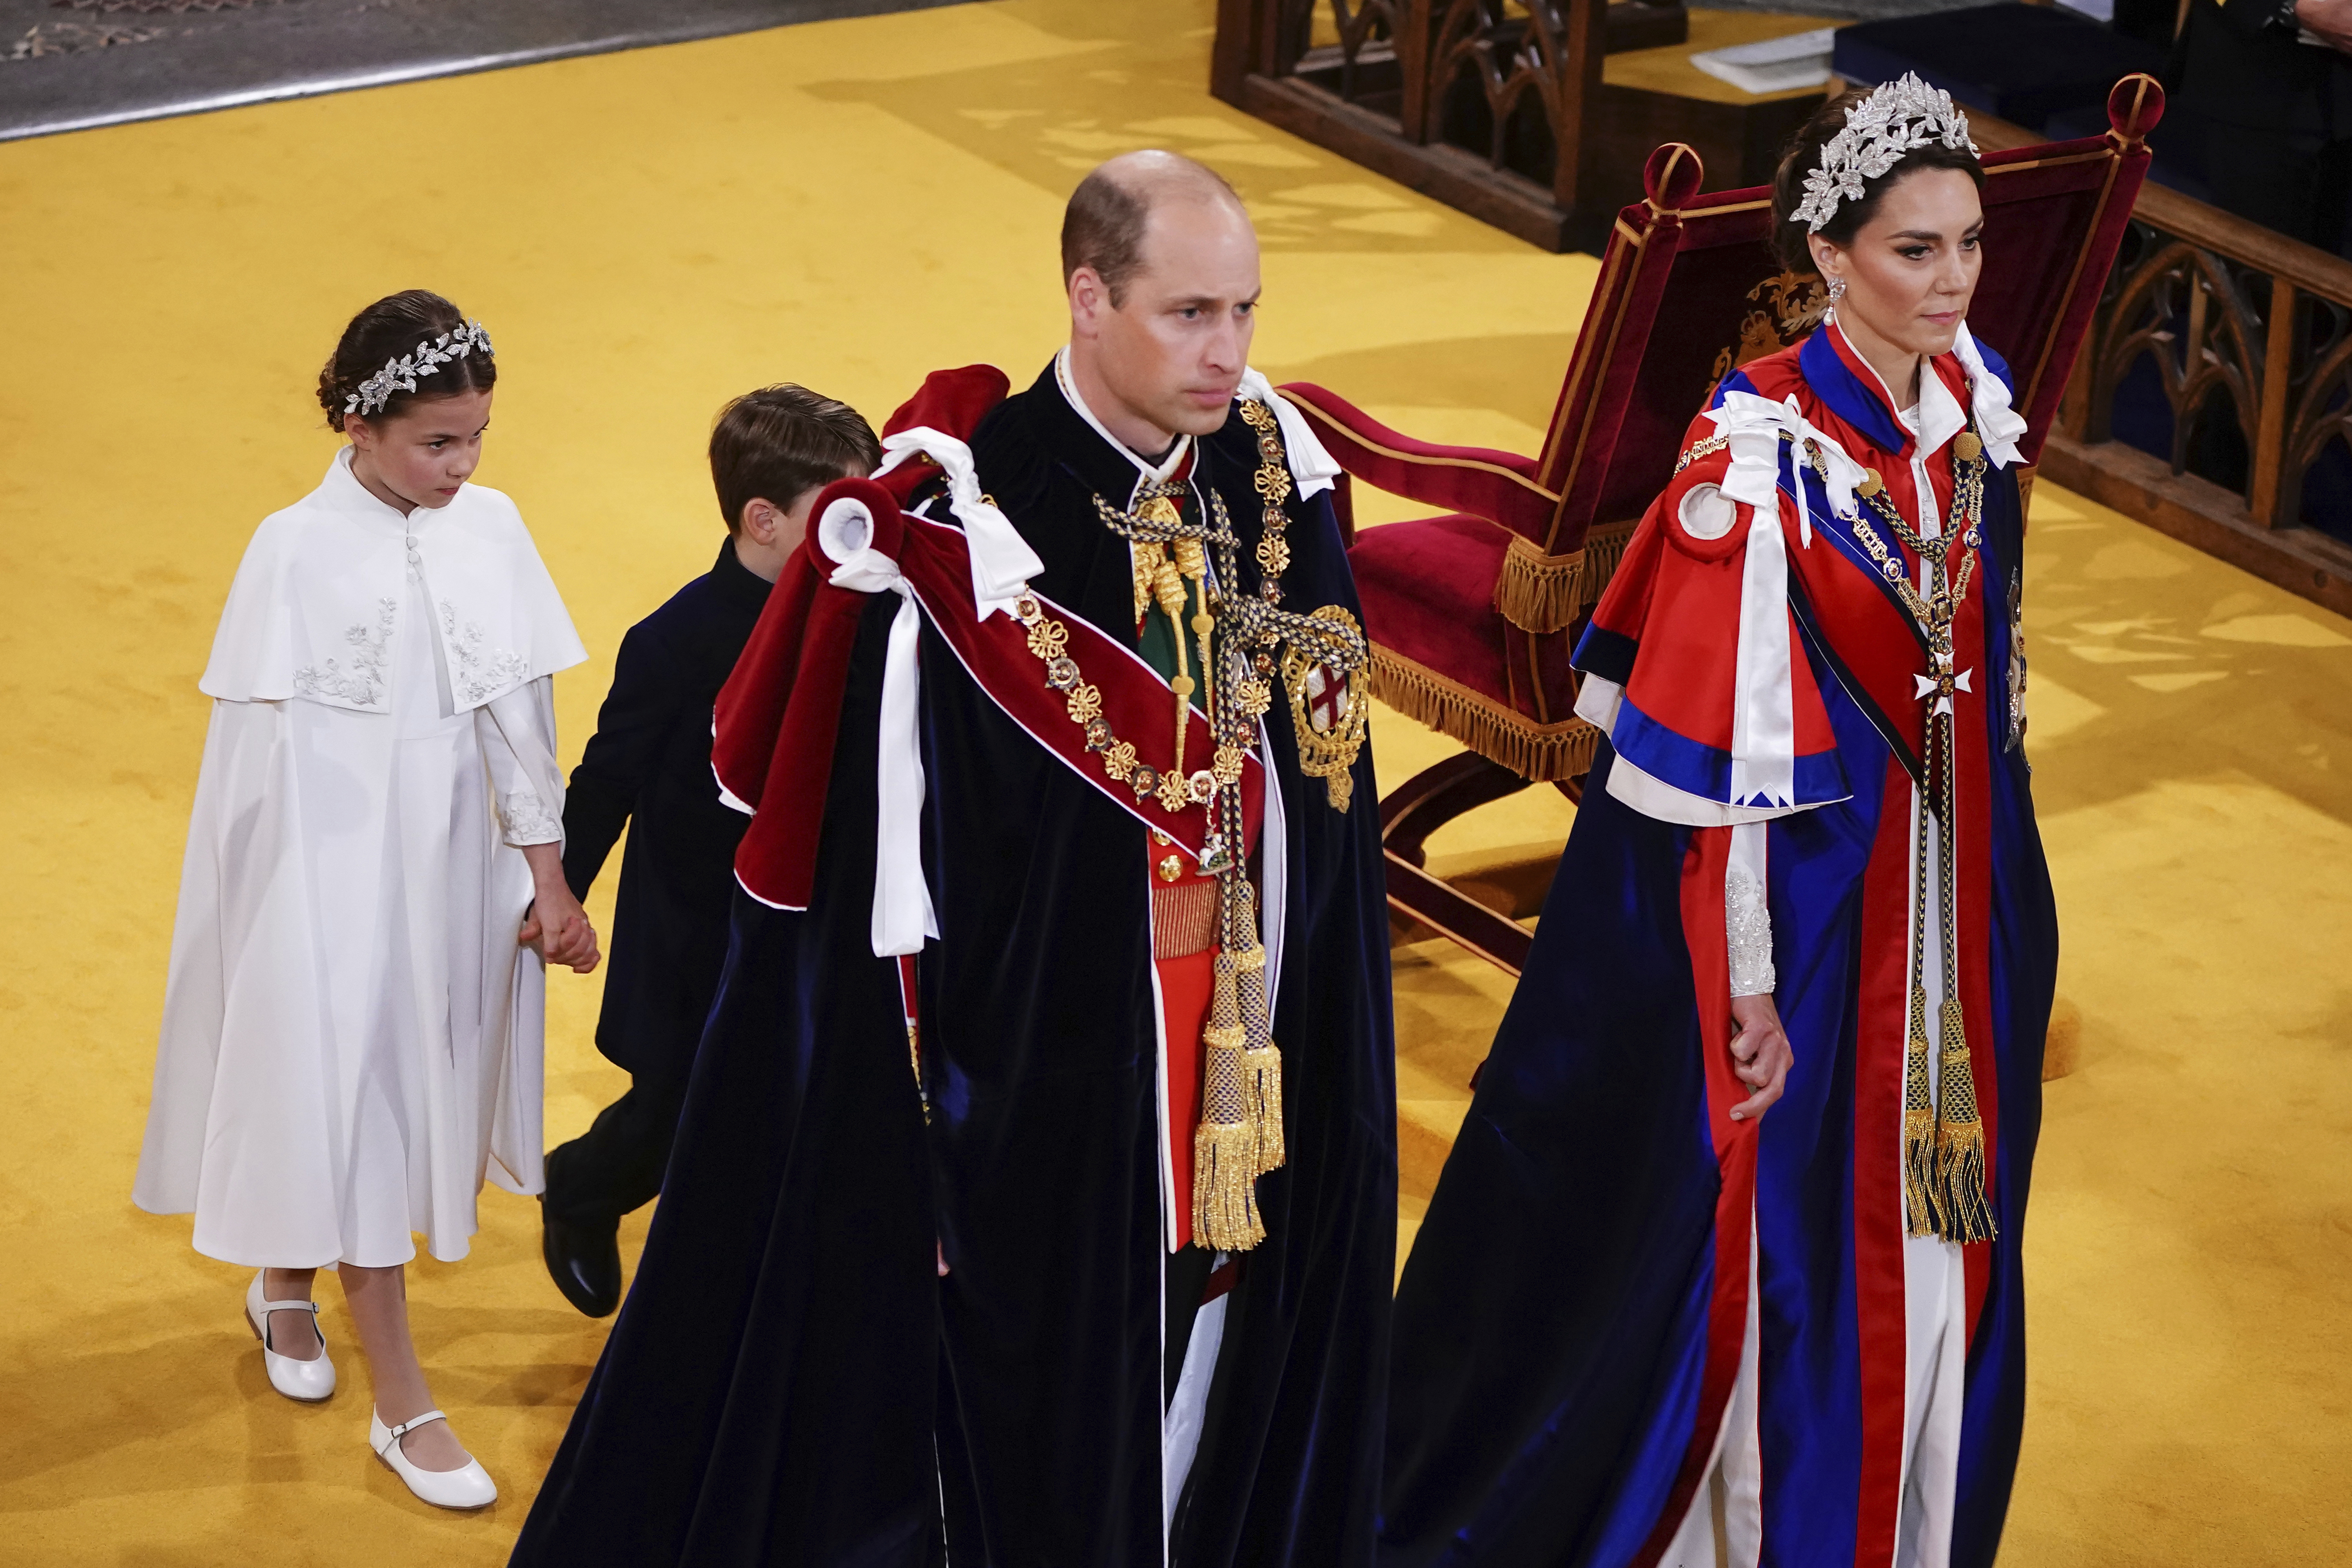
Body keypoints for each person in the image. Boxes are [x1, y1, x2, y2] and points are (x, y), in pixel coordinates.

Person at [509, 150, 1398, 1566]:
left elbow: (1324, 784)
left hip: (1249, 1055)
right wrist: (913, 1147)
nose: (1226, 352)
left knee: (1224, 1371)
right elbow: (877, 910)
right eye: (1188, 315)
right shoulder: (960, 535)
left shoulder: (1272, 472)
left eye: (1244, 310)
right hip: (1052, 1094)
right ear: (1088, 295)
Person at [1378, 78, 2058, 1568]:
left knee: (1947, 1222)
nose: (1954, 284)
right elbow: (1710, 771)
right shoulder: (1754, 459)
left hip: (1952, 898)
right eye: (1915, 252)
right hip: (1810, 923)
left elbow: (1982, 677)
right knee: (1789, 1243)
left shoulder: (1973, 406)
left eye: (1969, 245)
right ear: (1828, 256)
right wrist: (1750, 984)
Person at [133, 290, 597, 1511]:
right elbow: (255, 777)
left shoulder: (492, 527)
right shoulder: (290, 548)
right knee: (358, 1098)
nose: (464, 466)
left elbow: (521, 721)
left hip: (456, 879)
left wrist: (548, 878)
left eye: (478, 436)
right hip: (325, 889)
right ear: (357, 423)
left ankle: (284, 1279)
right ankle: (406, 1408)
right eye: (436, 442)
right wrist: (292, 923)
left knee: (388, 1088)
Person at [538, 384, 882, 1318]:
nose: (868, 531)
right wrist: (557, 892)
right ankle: (581, 1186)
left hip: (822, 911)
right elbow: (606, 777)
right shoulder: (677, 639)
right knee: (678, 1112)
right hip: (699, 929)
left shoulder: (870, 613)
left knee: (803, 1102)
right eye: (841, 516)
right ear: (764, 520)